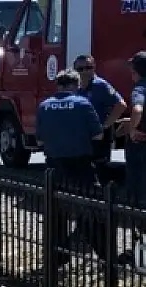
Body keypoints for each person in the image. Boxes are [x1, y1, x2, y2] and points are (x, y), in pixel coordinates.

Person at [36, 69, 105, 270]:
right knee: (89, 211)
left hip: (54, 166)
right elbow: (98, 135)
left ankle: (57, 259)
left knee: (57, 214)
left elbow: (39, 139)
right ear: (75, 85)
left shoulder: (44, 106)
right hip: (81, 165)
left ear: (57, 85)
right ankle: (104, 256)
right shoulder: (83, 104)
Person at [73, 54, 127, 178]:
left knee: (101, 168)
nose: (85, 72)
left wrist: (106, 125)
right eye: (80, 69)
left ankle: (103, 193)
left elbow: (121, 105)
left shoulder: (101, 85)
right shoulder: (74, 86)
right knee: (81, 168)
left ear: (94, 68)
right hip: (80, 134)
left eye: (88, 68)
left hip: (99, 134)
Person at [127, 52, 146, 207]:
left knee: (139, 182)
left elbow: (138, 110)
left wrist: (132, 129)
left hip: (141, 142)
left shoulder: (139, 89)